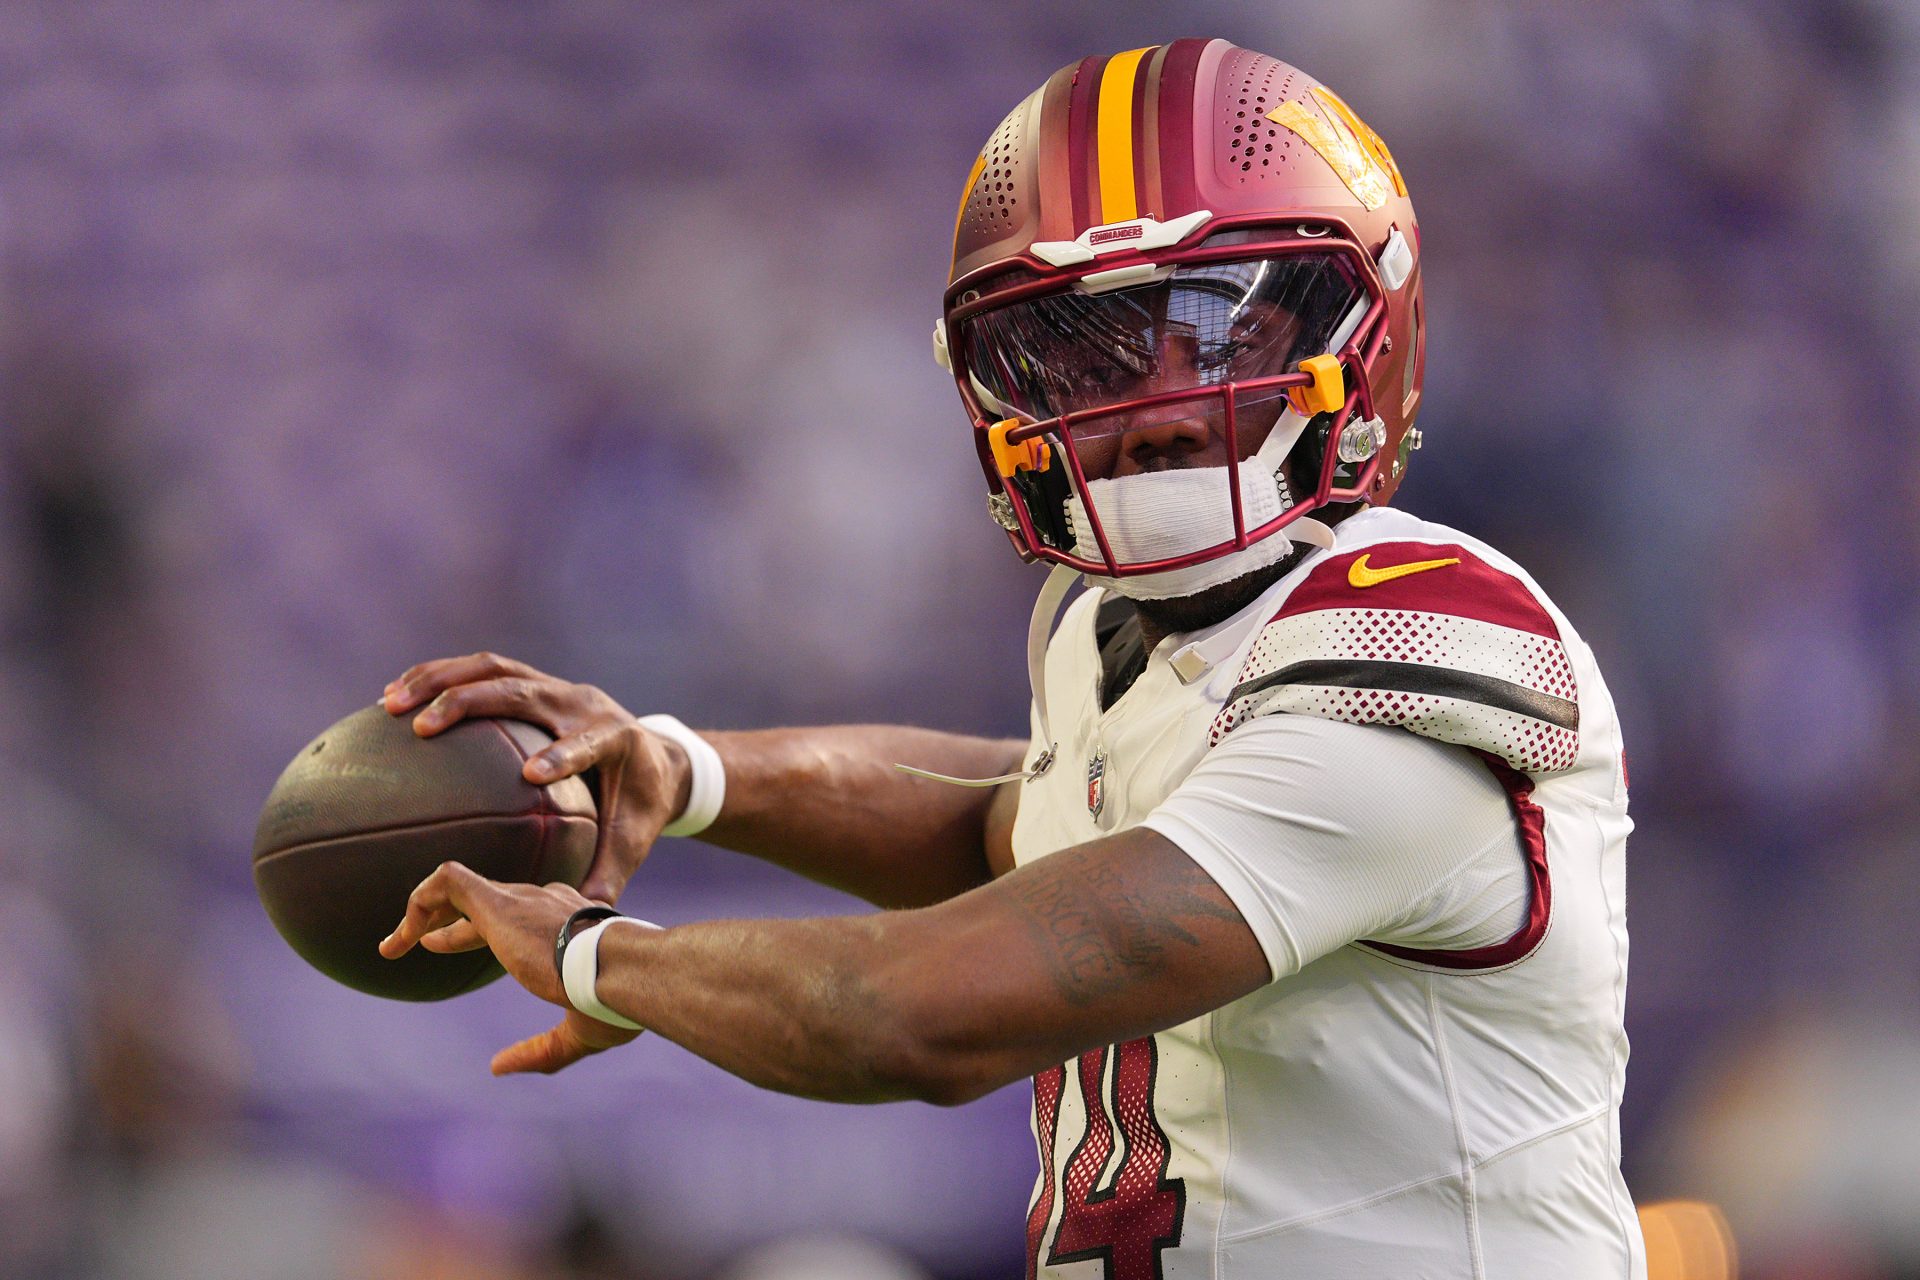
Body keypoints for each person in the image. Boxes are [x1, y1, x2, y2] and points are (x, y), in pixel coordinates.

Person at [380, 39, 1643, 1277]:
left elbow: (920, 1013)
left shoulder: (1417, 644)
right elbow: (1018, 817)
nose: (1150, 405)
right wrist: (687, 766)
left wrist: (600, 953)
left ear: (1368, 331)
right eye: (1086, 348)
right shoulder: (1099, 626)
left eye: (1216, 330)